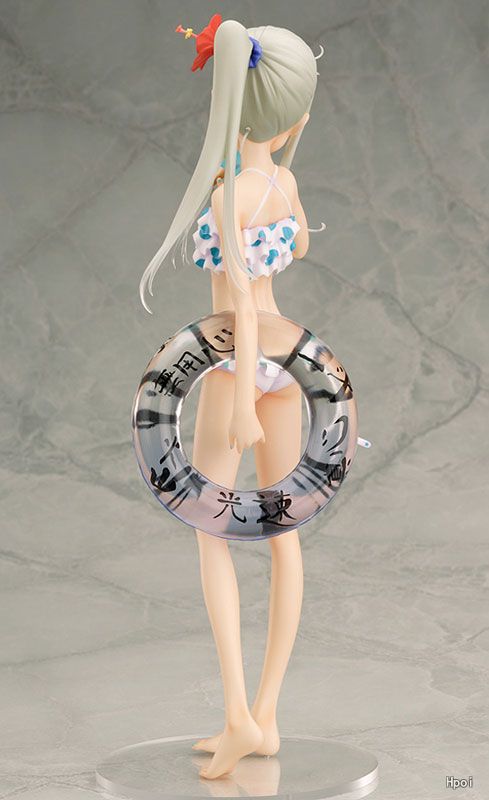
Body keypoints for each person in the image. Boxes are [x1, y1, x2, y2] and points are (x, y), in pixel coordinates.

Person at [139, 16, 322, 780]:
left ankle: (242, 716)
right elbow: (299, 246)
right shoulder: (283, 183)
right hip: (288, 357)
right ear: (291, 120)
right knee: (282, 532)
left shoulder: (227, 193)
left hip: (234, 366)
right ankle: (265, 714)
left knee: (209, 529)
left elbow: (238, 305)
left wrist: (241, 398)